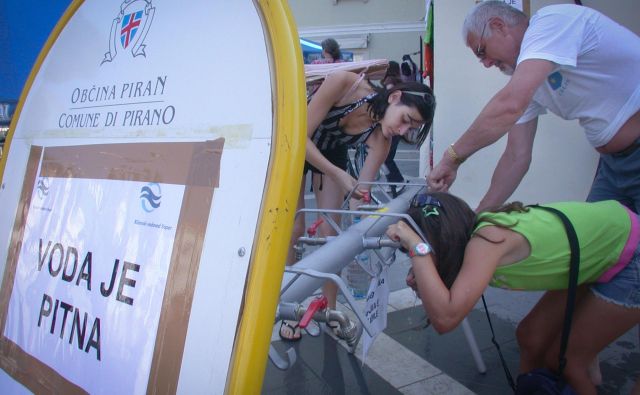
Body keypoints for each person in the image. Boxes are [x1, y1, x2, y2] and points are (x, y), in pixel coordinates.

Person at [386, 191, 640, 394]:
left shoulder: (487, 241)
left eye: (427, 251)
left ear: (443, 244)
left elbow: (446, 318)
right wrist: (425, 263)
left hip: (630, 252)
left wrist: (417, 248)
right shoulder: (472, 234)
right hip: (601, 245)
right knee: (531, 336)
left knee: (568, 361)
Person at [427, 2, 640, 213]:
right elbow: (516, 156)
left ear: (499, 25)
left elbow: (509, 106)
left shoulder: (552, 22)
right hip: (613, 167)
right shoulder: (529, 77)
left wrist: (451, 158)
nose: (486, 63)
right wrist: (480, 215)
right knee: (598, 240)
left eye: (482, 51)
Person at [279, 70, 435, 341]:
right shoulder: (345, 82)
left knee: (333, 235)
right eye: (405, 120)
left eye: (410, 128)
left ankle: (330, 310)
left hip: (329, 154)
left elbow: (357, 198)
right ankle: (290, 309)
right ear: (394, 97)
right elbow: (299, 138)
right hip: (294, 144)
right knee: (294, 229)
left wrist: (378, 222)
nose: (402, 130)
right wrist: (339, 175)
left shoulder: (381, 140)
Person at [381, 61, 407, 195]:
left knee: (386, 157)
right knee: (387, 156)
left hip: (391, 123)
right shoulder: (399, 83)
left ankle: (397, 181)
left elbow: (388, 103)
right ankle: (392, 182)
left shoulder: (390, 84)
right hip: (398, 123)